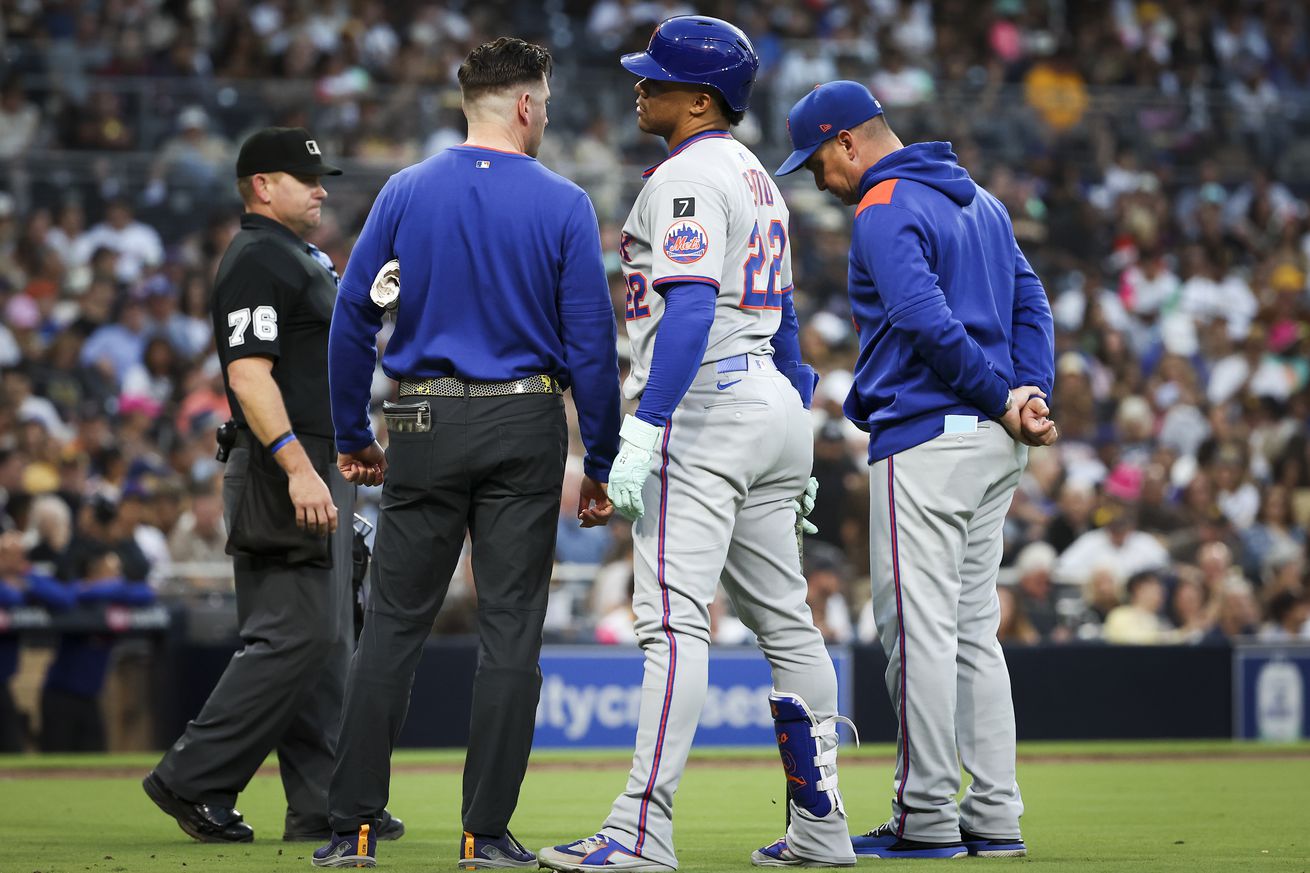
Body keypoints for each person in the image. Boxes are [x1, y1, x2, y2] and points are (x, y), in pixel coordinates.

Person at [541, 17, 856, 872]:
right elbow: (782, 317)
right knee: (788, 624)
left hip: (708, 399)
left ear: (701, 99)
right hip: (768, 396)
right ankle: (822, 830)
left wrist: (646, 425)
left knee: (673, 622)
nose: (640, 86)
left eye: (657, 77)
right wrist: (787, 416)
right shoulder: (756, 177)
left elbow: (689, 310)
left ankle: (640, 830)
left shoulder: (688, 175)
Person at [317, 38, 621, 870]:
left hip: (421, 420)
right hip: (525, 421)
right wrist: (601, 459)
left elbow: (352, 315)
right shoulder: (563, 202)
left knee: (391, 624)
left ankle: (352, 829)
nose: (546, 116)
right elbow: (591, 348)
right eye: (545, 103)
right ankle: (483, 835)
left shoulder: (406, 190)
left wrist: (351, 433)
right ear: (525, 104)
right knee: (511, 632)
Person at [776, 81, 1057, 859]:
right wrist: (1029, 393)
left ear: (846, 142)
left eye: (818, 163)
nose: (820, 181)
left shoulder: (883, 202)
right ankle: (994, 812)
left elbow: (924, 319)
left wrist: (1003, 395)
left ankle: (925, 813)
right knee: (972, 634)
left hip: (930, 437)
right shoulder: (981, 201)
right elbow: (1031, 300)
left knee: (918, 633)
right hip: (991, 442)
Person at [143, 128, 404, 847]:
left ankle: (325, 801)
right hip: (282, 463)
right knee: (298, 634)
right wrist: (296, 466)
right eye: (305, 178)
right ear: (262, 185)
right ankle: (193, 776)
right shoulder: (258, 257)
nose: (321, 189)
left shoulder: (297, 257)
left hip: (319, 458)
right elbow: (248, 374)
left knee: (329, 640)